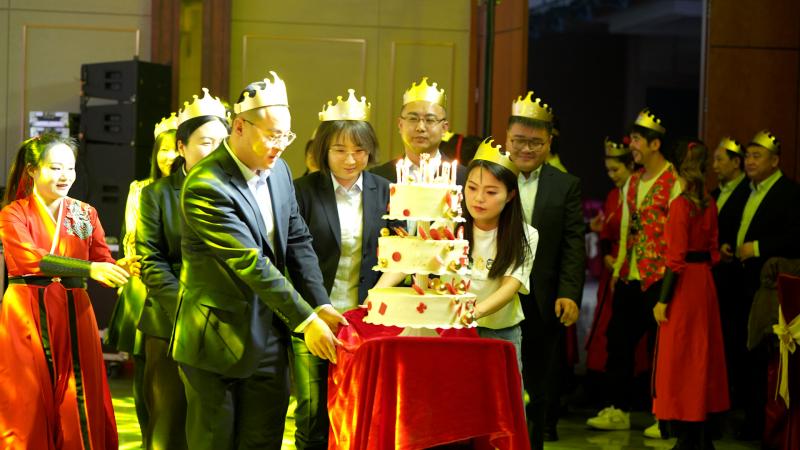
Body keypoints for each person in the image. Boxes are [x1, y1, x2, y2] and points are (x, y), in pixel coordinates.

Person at [172, 71, 346, 450]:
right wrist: (306, 320)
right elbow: (251, 263)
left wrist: (320, 302)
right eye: (272, 135)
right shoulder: (206, 184)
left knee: (263, 441)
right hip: (216, 337)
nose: (280, 146)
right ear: (239, 127)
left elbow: (297, 240)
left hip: (268, 333)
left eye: (286, 136)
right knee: (216, 442)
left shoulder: (279, 171)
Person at [0, 134, 139, 449]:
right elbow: (32, 259)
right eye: (55, 168)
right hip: (27, 311)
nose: (65, 176)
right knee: (27, 396)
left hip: (75, 312)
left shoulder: (85, 213)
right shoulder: (13, 213)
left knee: (78, 394)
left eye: (70, 168)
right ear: (32, 170)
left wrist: (121, 267)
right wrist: (90, 268)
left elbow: (102, 261)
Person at [291, 89, 391, 450]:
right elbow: (295, 256)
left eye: (359, 150)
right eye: (339, 150)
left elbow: (397, 252)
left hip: (369, 318)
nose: (350, 159)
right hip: (314, 317)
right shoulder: (302, 191)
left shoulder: (385, 191)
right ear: (323, 150)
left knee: (363, 412)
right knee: (313, 412)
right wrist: (317, 309)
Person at [137, 89, 229, 449]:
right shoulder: (157, 195)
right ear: (181, 147)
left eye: (222, 142)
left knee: (215, 423)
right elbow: (151, 259)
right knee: (170, 417)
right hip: (170, 318)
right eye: (206, 142)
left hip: (228, 321)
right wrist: (188, 309)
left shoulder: (240, 190)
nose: (216, 150)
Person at [587, 108, 681, 438]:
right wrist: (619, 269)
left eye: (638, 140)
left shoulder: (674, 181)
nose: (633, 146)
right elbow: (627, 227)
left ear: (655, 144)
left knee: (660, 348)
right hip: (630, 274)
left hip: (660, 277)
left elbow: (677, 234)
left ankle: (663, 414)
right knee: (619, 342)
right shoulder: (634, 182)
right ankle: (618, 409)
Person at [506, 91, 585, 448]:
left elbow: (573, 244)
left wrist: (569, 293)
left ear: (549, 142)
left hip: (542, 297)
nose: (526, 149)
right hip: (493, 295)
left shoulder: (565, 185)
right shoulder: (491, 176)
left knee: (539, 385)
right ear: (507, 138)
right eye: (518, 141)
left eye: (535, 143)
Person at [104, 111, 179, 444]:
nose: (169, 156)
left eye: (175, 148)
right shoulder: (140, 189)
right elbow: (129, 238)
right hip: (142, 288)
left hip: (179, 289)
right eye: (163, 149)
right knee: (145, 375)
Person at [652, 139, 730, 449]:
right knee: (704, 355)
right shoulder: (710, 203)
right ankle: (702, 432)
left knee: (680, 358)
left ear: (676, 169)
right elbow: (713, 250)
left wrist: (662, 300)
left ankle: (686, 432)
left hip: (685, 288)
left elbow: (675, 259)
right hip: (705, 284)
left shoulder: (681, 206)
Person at [734, 130, 800, 441]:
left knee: (764, 358)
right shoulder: (749, 190)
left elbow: (794, 238)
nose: (749, 161)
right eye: (748, 155)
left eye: (757, 156)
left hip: (770, 289)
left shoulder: (789, 192)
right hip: (743, 282)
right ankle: (749, 420)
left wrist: (757, 248)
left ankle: (764, 427)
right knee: (746, 355)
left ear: (775, 161)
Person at [459, 139, 538, 382]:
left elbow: (509, 287)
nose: (478, 198)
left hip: (500, 333)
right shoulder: (450, 227)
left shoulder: (526, 235)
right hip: (454, 332)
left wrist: (473, 313)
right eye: (472, 188)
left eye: (491, 192)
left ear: (510, 195)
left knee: (502, 399)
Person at [585, 138, 646, 391]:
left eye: (616, 170)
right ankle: (601, 382)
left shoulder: (640, 193)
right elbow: (608, 232)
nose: (611, 175)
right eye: (608, 170)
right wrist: (605, 253)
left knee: (628, 332)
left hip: (631, 269)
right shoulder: (613, 195)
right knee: (605, 327)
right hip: (611, 269)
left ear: (631, 166)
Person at [709, 136, 750, 410]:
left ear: (736, 162)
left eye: (719, 160)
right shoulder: (714, 194)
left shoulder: (748, 192)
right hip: (715, 275)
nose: (714, 166)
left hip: (737, 279)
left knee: (735, 339)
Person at [371, 77, 466, 186]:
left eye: (430, 120)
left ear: (444, 128)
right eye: (413, 119)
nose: (420, 127)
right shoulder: (378, 177)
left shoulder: (464, 178)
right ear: (400, 125)